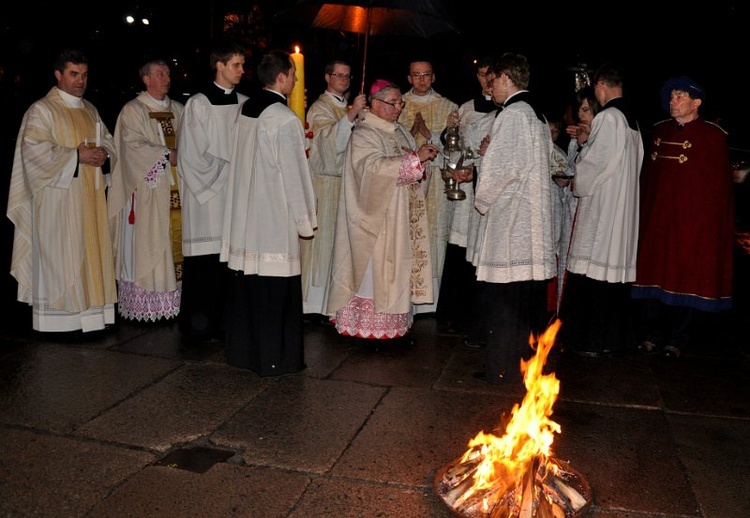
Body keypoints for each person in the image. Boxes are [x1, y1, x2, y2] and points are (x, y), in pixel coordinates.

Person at [220, 49, 317, 375]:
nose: (295, 79)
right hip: (273, 215)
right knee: (276, 289)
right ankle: (278, 358)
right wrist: (305, 219)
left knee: (252, 287)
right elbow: (293, 173)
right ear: (282, 77)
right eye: (293, 74)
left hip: (248, 213)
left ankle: (247, 354)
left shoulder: (247, 107)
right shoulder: (283, 118)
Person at [7, 48, 117, 333]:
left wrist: (104, 153)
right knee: (63, 258)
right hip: (58, 202)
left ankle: (91, 317)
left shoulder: (90, 109)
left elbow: (107, 141)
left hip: (90, 200)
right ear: (58, 75)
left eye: (84, 74)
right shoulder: (42, 110)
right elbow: (34, 152)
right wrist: (76, 157)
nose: (81, 81)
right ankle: (59, 321)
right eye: (74, 74)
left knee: (89, 254)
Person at [327, 79, 439, 346]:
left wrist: (422, 161)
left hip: (399, 218)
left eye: (401, 103)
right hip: (375, 220)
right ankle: (365, 329)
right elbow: (370, 170)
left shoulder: (400, 131)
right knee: (374, 273)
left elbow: (412, 166)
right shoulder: (364, 133)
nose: (399, 108)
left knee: (396, 270)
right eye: (393, 103)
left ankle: (394, 327)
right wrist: (415, 160)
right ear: (375, 104)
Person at [469, 52, 556, 384]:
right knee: (521, 301)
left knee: (505, 300)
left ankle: (501, 368)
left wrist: (482, 197)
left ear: (506, 78)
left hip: (512, 221)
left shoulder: (512, 115)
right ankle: (518, 365)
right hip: (528, 219)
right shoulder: (534, 114)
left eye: (493, 83)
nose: (490, 90)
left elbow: (501, 168)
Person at [631, 76, 733, 358]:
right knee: (653, 273)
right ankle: (650, 334)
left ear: (696, 102)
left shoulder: (713, 137)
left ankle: (677, 339)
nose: (672, 101)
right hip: (659, 221)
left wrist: (705, 227)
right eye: (672, 96)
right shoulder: (659, 130)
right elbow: (648, 181)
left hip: (692, 224)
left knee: (685, 276)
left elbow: (717, 192)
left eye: (679, 96)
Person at [559, 63, 644, 356]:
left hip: (603, 210)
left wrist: (579, 165)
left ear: (600, 87)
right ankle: (612, 341)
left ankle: (587, 341)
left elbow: (594, 166)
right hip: (621, 210)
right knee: (610, 278)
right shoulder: (632, 120)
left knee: (591, 271)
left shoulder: (608, 117)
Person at [177, 40, 247, 344]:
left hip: (234, 197)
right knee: (206, 264)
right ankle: (199, 327)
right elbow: (190, 155)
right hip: (206, 199)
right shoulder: (198, 104)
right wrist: (229, 169)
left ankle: (227, 324)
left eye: (243, 65)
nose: (242, 71)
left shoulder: (245, 103)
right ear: (219, 65)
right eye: (236, 65)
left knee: (230, 265)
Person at [109, 59, 185, 322]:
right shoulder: (133, 110)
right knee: (149, 243)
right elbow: (130, 146)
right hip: (147, 194)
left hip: (179, 191)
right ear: (146, 79)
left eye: (167, 73)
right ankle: (146, 301)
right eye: (159, 74)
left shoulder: (179, 109)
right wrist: (165, 154)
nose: (166, 78)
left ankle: (175, 300)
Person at [434, 55, 497, 337]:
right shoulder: (468, 108)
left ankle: (476, 318)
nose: (486, 80)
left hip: (485, 188)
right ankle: (453, 315)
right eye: (482, 74)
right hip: (464, 188)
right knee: (459, 249)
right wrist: (450, 130)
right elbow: (453, 145)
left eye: (491, 75)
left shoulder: (505, 110)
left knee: (480, 250)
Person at [300, 59, 367, 320]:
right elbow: (325, 146)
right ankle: (315, 304)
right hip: (325, 185)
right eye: (338, 75)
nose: (343, 79)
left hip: (346, 186)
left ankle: (337, 300)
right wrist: (351, 116)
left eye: (347, 76)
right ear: (327, 77)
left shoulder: (347, 108)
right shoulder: (320, 107)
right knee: (324, 244)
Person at [398, 58, 458, 315]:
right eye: (416, 75)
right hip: (405, 185)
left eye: (426, 74)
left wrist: (430, 133)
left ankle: (430, 302)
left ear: (433, 77)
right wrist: (411, 133)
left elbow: (456, 149)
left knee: (433, 234)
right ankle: (404, 298)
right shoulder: (395, 104)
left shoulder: (449, 107)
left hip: (436, 187)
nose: (421, 79)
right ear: (409, 78)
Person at [552, 86, 598, 312]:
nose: (581, 115)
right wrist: (563, 180)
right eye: (580, 109)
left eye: (587, 110)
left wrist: (586, 142)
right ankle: (561, 315)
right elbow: (571, 168)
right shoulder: (573, 139)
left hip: (588, 211)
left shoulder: (601, 139)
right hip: (570, 206)